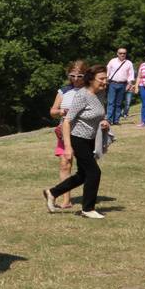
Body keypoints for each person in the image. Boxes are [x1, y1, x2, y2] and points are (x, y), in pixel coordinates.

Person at [43, 64, 110, 219]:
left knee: (83, 174)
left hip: (91, 139)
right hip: (77, 139)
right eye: (101, 79)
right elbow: (67, 121)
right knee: (94, 172)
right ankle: (87, 209)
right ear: (91, 80)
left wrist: (104, 121)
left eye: (106, 78)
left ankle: (52, 192)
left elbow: (100, 113)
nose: (104, 81)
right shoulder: (82, 95)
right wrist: (67, 147)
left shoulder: (101, 93)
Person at [48, 61, 88, 208]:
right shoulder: (63, 91)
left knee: (85, 167)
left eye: (79, 75)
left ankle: (90, 198)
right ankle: (66, 200)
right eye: (72, 75)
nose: (76, 79)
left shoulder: (89, 90)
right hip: (65, 133)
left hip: (84, 133)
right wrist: (60, 112)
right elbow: (52, 111)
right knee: (65, 164)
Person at [105, 48, 134, 124]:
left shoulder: (129, 63)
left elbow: (131, 75)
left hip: (123, 84)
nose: (122, 54)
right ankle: (109, 119)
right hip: (112, 83)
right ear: (117, 53)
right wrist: (105, 80)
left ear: (126, 54)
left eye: (124, 53)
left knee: (119, 103)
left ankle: (116, 120)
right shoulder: (112, 61)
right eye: (120, 53)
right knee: (111, 102)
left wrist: (129, 83)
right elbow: (107, 71)